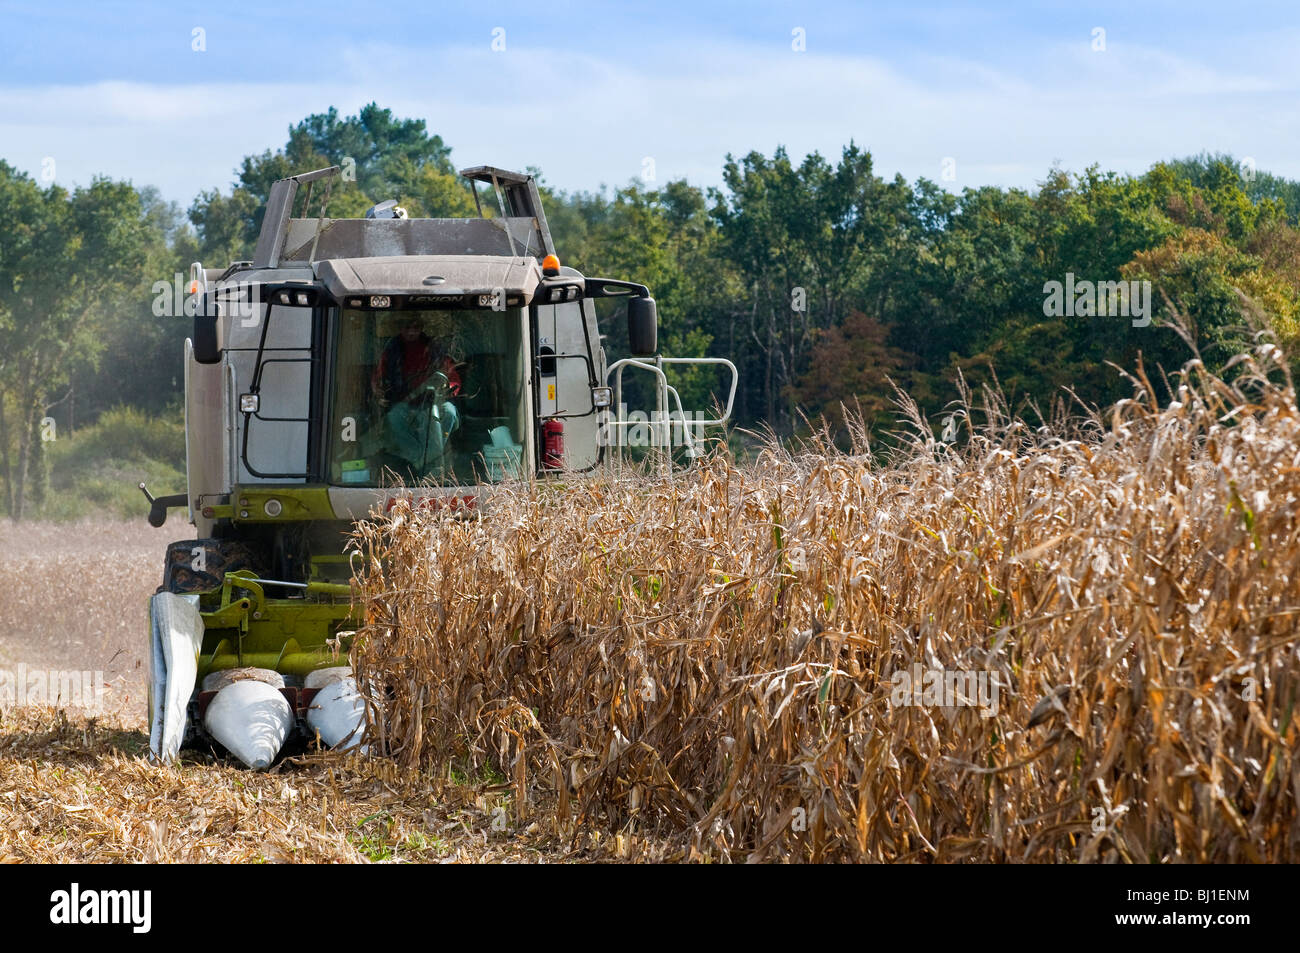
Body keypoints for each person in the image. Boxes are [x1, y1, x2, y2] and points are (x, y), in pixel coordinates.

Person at [372, 320, 462, 472]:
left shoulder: (435, 349)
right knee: (393, 417)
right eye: (407, 327)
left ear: (421, 329)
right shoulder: (391, 351)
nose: (411, 332)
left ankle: (427, 460)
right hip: (405, 403)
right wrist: (379, 390)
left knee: (451, 413)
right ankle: (423, 460)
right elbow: (378, 378)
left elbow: (452, 377)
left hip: (435, 402)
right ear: (400, 328)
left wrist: (447, 388)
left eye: (416, 327)